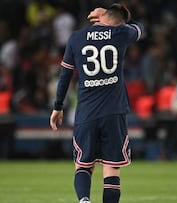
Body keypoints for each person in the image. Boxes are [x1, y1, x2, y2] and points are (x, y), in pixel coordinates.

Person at [50, 4, 143, 203]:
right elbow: (138, 28)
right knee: (111, 168)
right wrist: (107, 16)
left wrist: (58, 106)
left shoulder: (76, 38)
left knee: (83, 165)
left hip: (86, 112)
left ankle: (84, 200)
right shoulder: (121, 34)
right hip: (114, 112)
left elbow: (65, 75)